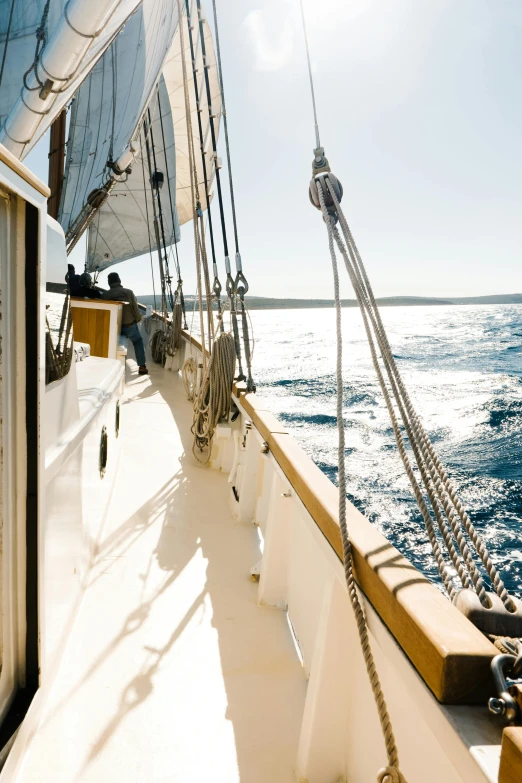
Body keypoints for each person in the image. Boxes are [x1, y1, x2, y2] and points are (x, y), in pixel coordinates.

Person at [102, 272, 148, 375]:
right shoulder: (128, 292)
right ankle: (142, 366)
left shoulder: (104, 295)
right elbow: (135, 311)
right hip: (129, 327)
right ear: (119, 281)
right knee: (138, 341)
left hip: (113, 328)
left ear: (109, 283)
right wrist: (137, 320)